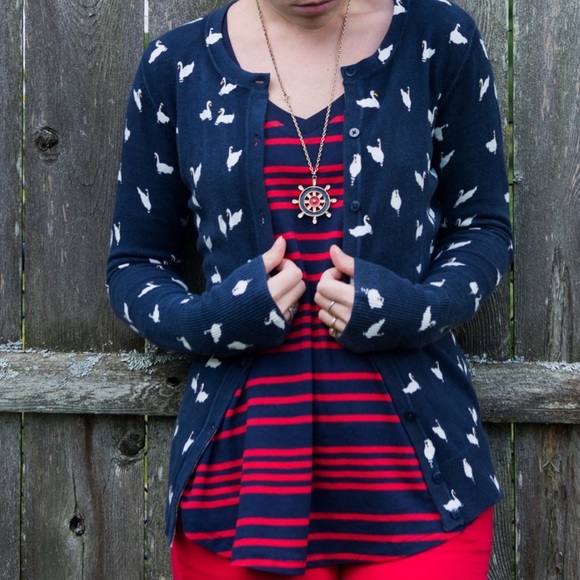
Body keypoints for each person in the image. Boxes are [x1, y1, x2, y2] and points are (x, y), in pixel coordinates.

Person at [107, 0, 513, 577]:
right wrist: (215, 319)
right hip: (238, 491)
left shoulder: (438, 39)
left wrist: (413, 308)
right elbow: (134, 265)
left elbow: (483, 229)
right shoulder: (176, 65)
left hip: (424, 486)